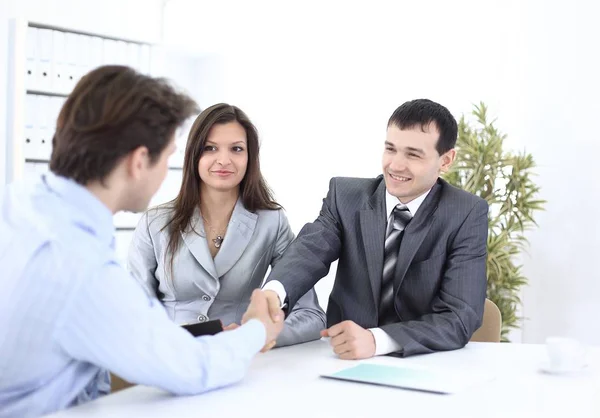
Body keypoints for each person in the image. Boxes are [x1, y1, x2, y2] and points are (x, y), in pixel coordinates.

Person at [0, 66, 283, 418]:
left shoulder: (18, 204)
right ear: (138, 162)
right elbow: (194, 368)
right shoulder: (83, 269)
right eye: (167, 157)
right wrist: (257, 328)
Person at [263, 99, 489, 360]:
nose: (395, 165)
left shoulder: (466, 213)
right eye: (390, 149)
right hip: (342, 359)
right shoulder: (345, 196)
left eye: (413, 154)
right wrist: (273, 293)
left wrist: (378, 340)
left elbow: (460, 316)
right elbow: (310, 251)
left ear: (446, 161)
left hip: (422, 360)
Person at [128, 103, 325, 349]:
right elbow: (133, 313)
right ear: (193, 155)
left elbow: (312, 316)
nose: (224, 160)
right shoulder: (155, 222)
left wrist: (254, 335)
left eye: (237, 149)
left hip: (238, 360)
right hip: (168, 355)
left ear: (249, 157)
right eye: (210, 148)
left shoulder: (271, 221)